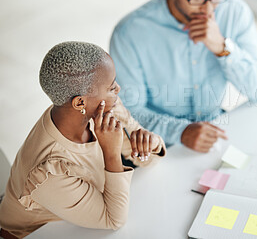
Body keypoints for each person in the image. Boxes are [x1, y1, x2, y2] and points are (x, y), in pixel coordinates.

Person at [0, 42, 166, 238]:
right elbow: (114, 220)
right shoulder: (48, 172)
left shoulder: (101, 108)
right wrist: (111, 153)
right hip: (38, 233)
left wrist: (151, 143)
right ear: (80, 102)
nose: (118, 89)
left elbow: (148, 160)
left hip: (77, 212)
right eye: (111, 86)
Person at [110, 0, 257, 152]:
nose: (209, 10)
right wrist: (180, 131)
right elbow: (127, 111)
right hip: (157, 144)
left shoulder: (235, 12)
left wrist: (222, 47)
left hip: (216, 130)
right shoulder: (129, 33)